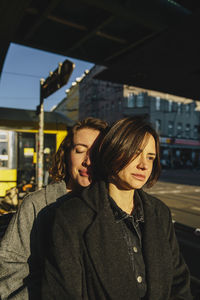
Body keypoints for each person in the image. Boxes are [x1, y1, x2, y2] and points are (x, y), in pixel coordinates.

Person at [42, 116, 192, 300]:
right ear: (113, 152)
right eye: (135, 153)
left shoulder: (160, 213)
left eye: (150, 157)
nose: (144, 165)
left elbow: (179, 285)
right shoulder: (71, 218)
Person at [0, 117, 108, 300]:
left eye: (97, 152)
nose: (88, 161)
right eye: (80, 150)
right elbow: (9, 267)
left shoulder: (114, 205)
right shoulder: (37, 204)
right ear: (66, 153)